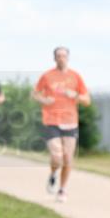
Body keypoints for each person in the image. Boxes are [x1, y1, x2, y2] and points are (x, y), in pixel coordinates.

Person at [32, 47, 90, 202]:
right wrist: (44, 100)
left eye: (64, 56)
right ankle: (52, 174)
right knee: (57, 157)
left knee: (68, 158)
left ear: (68, 58)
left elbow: (87, 100)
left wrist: (76, 95)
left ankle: (62, 189)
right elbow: (35, 94)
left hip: (70, 121)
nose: (61, 58)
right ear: (54, 58)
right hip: (51, 120)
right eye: (58, 56)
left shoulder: (75, 76)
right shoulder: (47, 76)